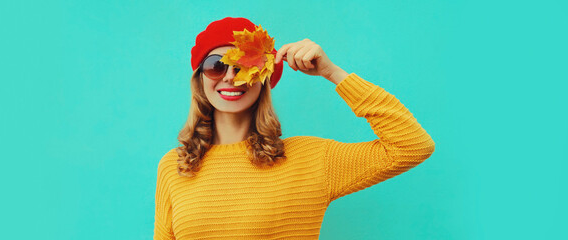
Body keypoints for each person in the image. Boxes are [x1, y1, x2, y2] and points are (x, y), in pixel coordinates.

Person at [154, 17, 435, 240]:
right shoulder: (174, 166)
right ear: (200, 79)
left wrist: (333, 73)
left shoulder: (310, 159)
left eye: (243, 66)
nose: (229, 76)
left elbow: (411, 146)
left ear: (263, 78)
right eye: (216, 65)